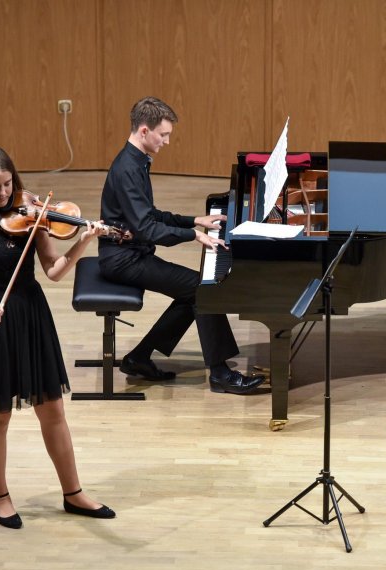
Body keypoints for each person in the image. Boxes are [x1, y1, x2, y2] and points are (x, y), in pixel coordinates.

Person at [0, 146, 115, 529]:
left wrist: (83, 240)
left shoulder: (31, 211)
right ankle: (0, 497)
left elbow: (53, 271)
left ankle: (73, 493)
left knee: (53, 410)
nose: (4, 193)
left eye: (8, 184)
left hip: (31, 314)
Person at [98, 96, 264, 394]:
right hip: (123, 259)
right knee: (202, 290)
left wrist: (194, 220)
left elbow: (149, 214)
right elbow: (148, 229)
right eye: (163, 135)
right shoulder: (127, 169)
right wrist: (194, 235)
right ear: (144, 131)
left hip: (132, 253)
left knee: (194, 291)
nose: (167, 142)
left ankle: (139, 358)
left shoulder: (135, 161)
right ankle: (220, 374)